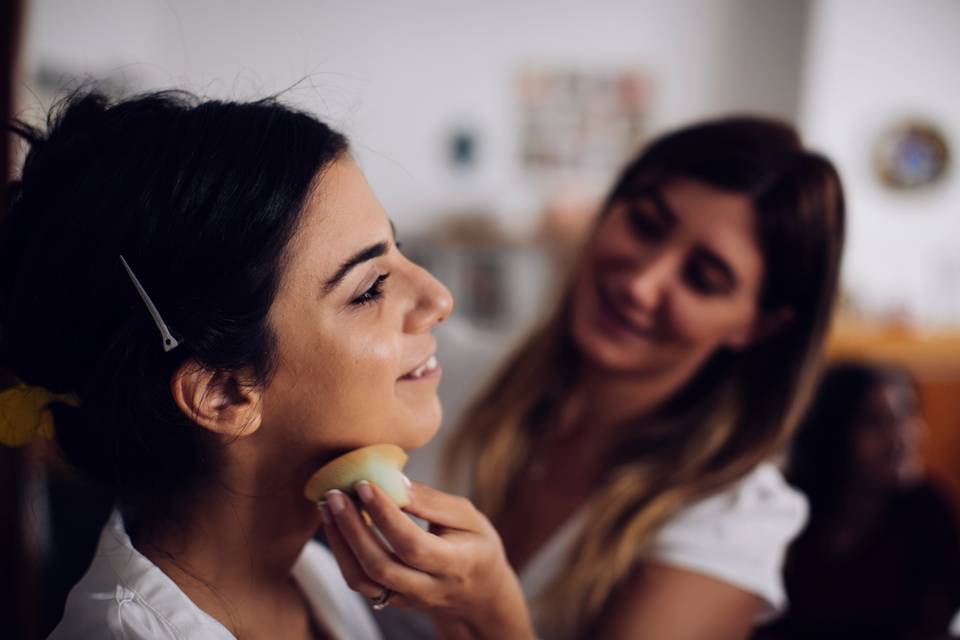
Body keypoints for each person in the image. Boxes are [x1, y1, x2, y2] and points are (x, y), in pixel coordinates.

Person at [0, 90, 535, 639]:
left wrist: (487, 608)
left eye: (397, 250)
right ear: (225, 392)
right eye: (372, 287)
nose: (439, 299)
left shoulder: (318, 575)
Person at [331, 116, 847, 640]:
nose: (642, 285)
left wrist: (492, 613)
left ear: (757, 325)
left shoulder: (734, 520)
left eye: (703, 278)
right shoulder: (447, 369)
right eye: (646, 224)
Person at [754, 361, 960, 639]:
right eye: (875, 421)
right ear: (834, 433)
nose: (901, 436)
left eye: (907, 414)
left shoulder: (929, 509)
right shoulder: (788, 510)